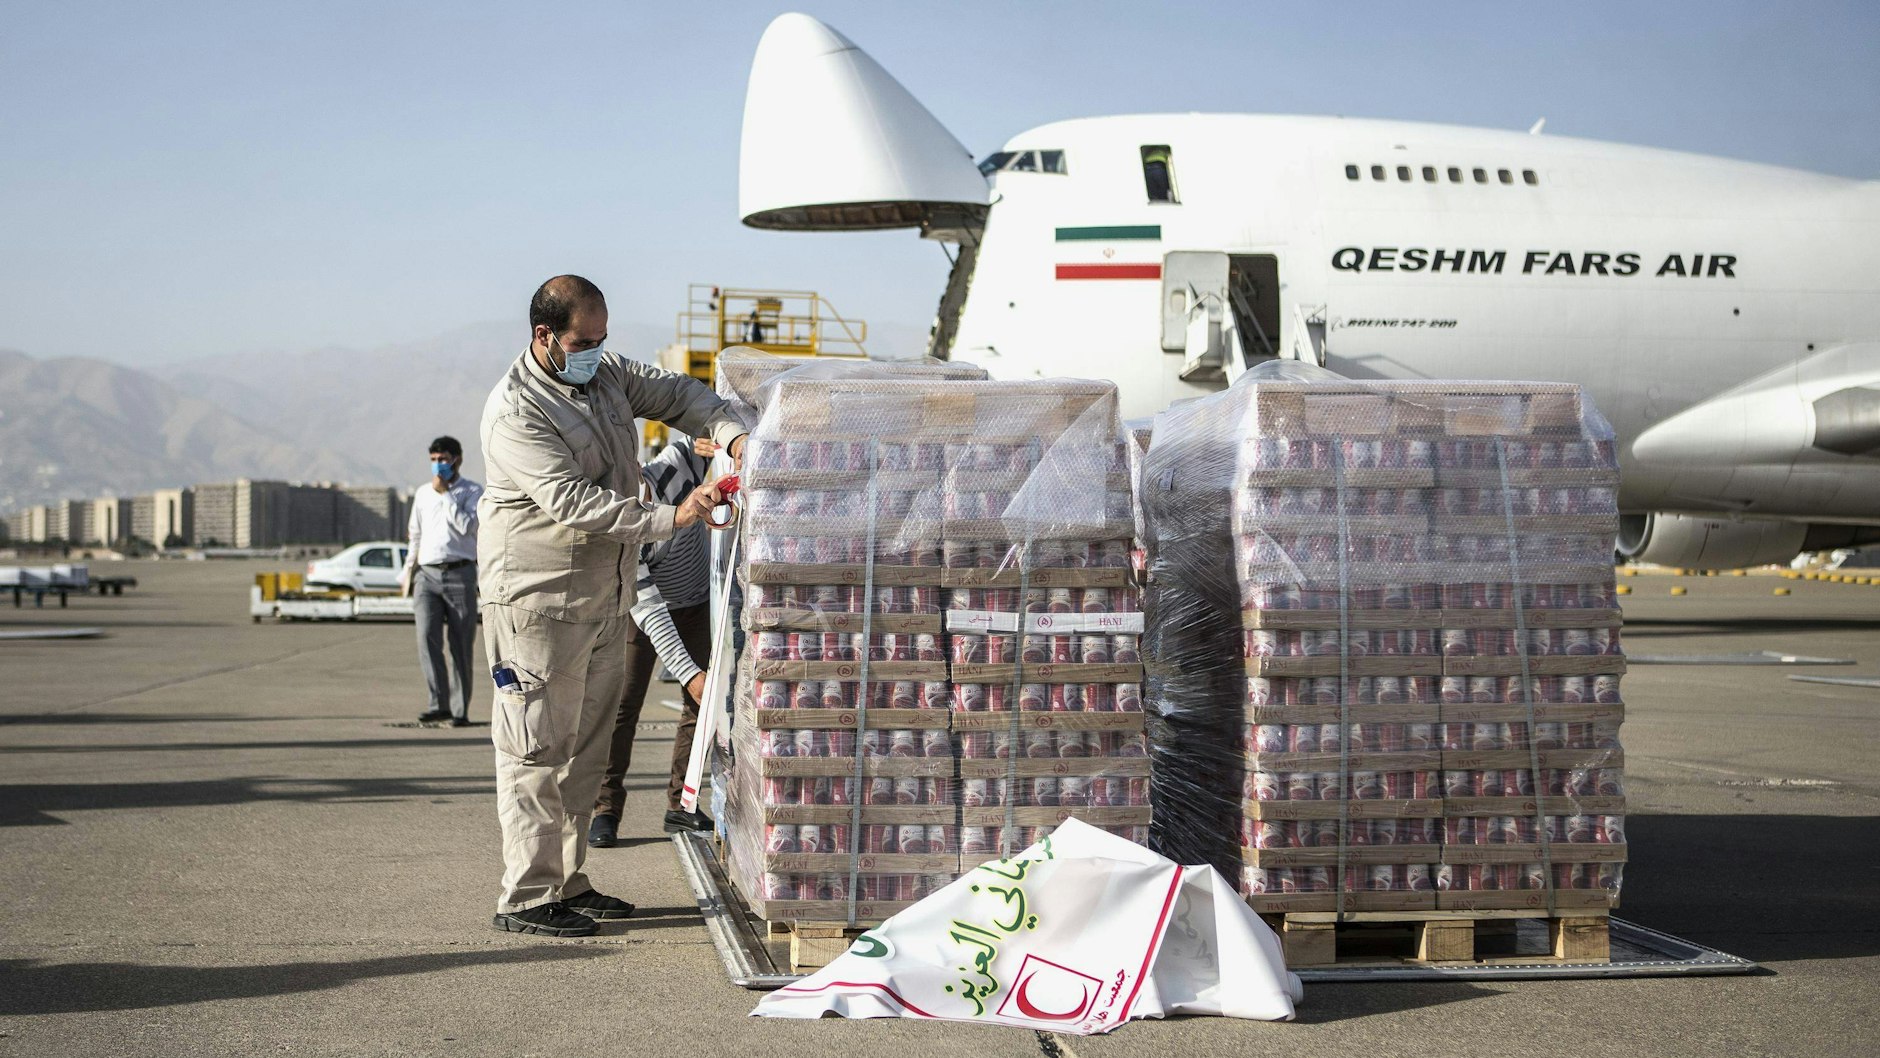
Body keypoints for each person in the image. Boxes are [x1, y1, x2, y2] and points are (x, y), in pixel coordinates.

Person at [479, 275, 746, 938]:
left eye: (601, 340)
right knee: (536, 749)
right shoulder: (517, 411)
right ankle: (527, 895)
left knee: (586, 751)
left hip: (603, 597)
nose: (594, 352)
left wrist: (733, 435)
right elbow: (573, 504)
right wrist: (674, 514)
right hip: (537, 605)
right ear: (544, 336)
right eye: (581, 342)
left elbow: (680, 395)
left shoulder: (605, 376)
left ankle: (568, 882)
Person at [588, 434, 718, 850]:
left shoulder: (673, 467)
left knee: (698, 706)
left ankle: (683, 803)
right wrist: (689, 673)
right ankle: (604, 809)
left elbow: (697, 439)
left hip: (697, 603)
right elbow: (652, 614)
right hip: (641, 614)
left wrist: (716, 436)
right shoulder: (621, 530)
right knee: (621, 708)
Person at [402, 436, 483, 726]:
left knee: (461, 644)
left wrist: (446, 493)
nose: (438, 464)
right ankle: (439, 704)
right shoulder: (423, 493)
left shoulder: (472, 491)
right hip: (426, 575)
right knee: (427, 638)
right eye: (434, 459)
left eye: (444, 459)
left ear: (457, 459)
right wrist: (407, 571)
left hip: (460, 573)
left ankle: (460, 710)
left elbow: (467, 527)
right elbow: (415, 534)